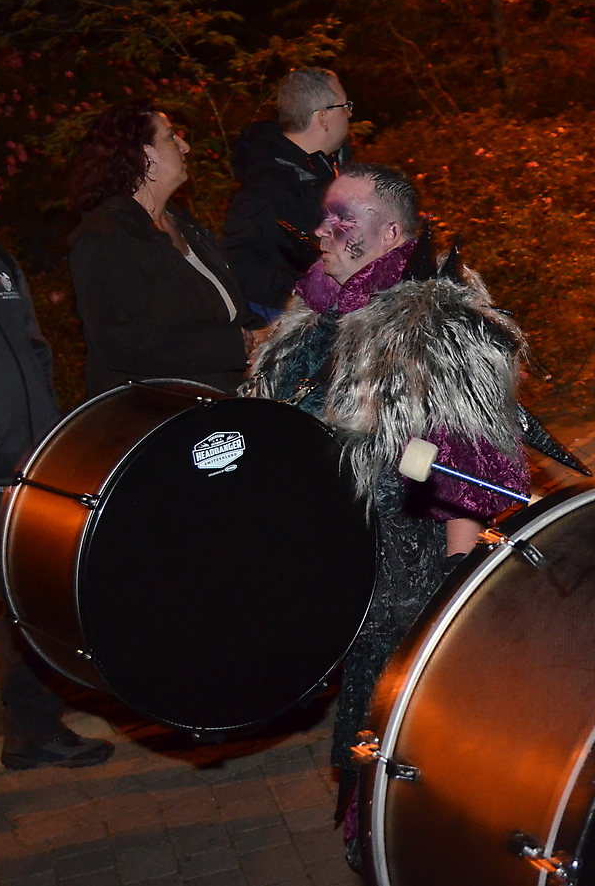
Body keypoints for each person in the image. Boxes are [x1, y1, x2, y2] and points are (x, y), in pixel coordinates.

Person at [241, 162, 529, 842]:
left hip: (409, 570)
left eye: (342, 219)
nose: (321, 230)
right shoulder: (317, 310)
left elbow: (467, 463)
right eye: (324, 215)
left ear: (392, 234)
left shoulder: (432, 322)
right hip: (345, 566)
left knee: (407, 741)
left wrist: (454, 589)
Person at [0, 128, 112, 834]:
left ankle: (32, 730)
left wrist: (48, 432)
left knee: (35, 606)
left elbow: (33, 351)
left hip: (24, 469)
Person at [69, 101, 262, 397]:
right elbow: (123, 342)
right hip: (155, 410)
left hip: (218, 402)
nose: (185, 146)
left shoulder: (184, 224)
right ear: (146, 155)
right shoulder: (105, 237)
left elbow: (226, 310)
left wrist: (265, 335)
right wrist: (233, 345)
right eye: (171, 137)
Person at [222, 68, 353, 322]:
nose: (349, 113)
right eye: (344, 106)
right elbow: (243, 268)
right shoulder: (266, 186)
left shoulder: (332, 171)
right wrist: (310, 298)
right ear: (323, 116)